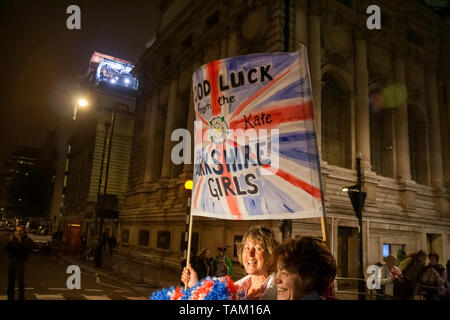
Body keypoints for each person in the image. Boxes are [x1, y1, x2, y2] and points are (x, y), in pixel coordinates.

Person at [182, 225, 278, 300]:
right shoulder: (237, 287)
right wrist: (195, 284)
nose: (250, 254)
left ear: (270, 255)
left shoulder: (279, 292)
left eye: (258, 248)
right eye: (247, 248)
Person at [5, 226, 33, 300]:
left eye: (20, 231)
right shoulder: (13, 240)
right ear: (15, 232)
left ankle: (21, 297)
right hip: (11, 262)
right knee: (10, 281)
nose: (18, 232)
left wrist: (20, 242)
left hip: (20, 263)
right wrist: (10, 241)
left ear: (23, 232)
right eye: (17, 231)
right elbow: (6, 249)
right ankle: (10, 297)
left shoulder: (26, 240)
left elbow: (28, 250)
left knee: (20, 281)